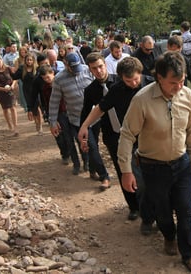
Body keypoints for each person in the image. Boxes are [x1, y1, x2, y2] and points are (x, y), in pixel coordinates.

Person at [117, 51, 191, 273]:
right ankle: (169, 235)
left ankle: (189, 253)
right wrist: (126, 171)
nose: (178, 86)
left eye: (182, 81)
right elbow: (127, 135)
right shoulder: (142, 100)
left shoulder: (187, 96)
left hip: (181, 163)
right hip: (152, 167)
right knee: (163, 211)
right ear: (159, 78)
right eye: (173, 82)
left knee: (186, 209)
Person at [78, 57, 154, 223]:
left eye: (135, 79)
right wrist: (84, 126)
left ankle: (151, 211)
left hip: (151, 139)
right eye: (128, 81)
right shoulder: (117, 89)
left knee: (150, 178)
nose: (133, 83)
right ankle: (138, 210)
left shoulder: (152, 85)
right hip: (124, 139)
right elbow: (100, 108)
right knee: (129, 174)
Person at [49, 52, 93, 175]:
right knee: (70, 140)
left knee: (84, 141)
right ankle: (76, 164)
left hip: (88, 116)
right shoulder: (59, 79)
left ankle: (87, 162)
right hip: (71, 116)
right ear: (66, 65)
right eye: (72, 68)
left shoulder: (87, 70)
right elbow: (54, 101)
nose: (76, 71)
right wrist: (52, 121)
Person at [79, 52, 112, 186]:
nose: (98, 71)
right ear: (90, 69)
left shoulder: (120, 81)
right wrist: (83, 131)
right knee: (92, 147)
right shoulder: (90, 90)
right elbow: (86, 112)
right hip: (104, 125)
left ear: (105, 65)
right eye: (94, 68)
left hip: (124, 125)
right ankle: (104, 176)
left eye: (100, 66)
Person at [11, 53, 43, 135]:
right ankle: (36, 123)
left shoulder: (37, 68)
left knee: (38, 107)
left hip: (37, 90)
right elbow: (15, 77)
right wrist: (10, 70)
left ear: (33, 61)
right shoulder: (22, 69)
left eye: (31, 60)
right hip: (27, 91)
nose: (29, 61)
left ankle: (40, 126)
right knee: (32, 108)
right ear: (25, 61)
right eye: (28, 60)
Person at [0, 55, 18, 136]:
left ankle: (15, 127)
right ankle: (10, 125)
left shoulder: (8, 69)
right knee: (5, 109)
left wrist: (13, 85)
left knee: (13, 107)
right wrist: (3, 89)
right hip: (2, 93)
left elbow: (15, 78)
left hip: (11, 91)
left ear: (2, 61)